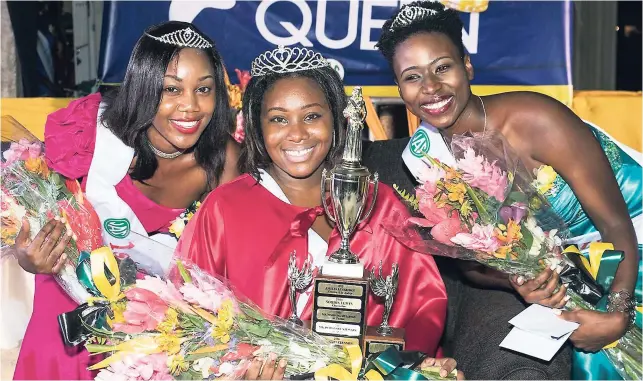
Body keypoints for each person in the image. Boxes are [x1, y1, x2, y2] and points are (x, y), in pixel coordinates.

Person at [376, 2, 641, 379]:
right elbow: (470, 265)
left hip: (632, 251)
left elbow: (616, 224)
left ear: (467, 65)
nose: (431, 88)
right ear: (399, 87)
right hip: (577, 276)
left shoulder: (534, 119)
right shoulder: (427, 160)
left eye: (442, 68)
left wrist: (618, 314)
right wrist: (519, 281)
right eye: (412, 76)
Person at [177, 45, 460, 380]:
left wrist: (405, 369)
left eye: (312, 116)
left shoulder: (378, 203)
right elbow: (189, 318)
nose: (297, 134)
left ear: (337, 119)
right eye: (278, 119)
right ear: (256, 125)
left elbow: (422, 305)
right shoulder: (224, 209)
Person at [12, 21, 239, 380]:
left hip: (149, 348)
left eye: (204, 89)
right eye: (171, 89)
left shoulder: (227, 165)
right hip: (65, 328)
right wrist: (29, 254)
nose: (191, 107)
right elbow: (37, 220)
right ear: (144, 86)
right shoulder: (89, 134)